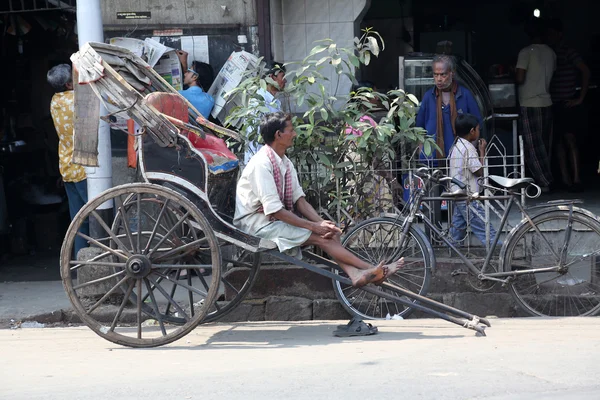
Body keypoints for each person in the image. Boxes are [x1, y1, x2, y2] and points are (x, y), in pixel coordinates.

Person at [233, 112, 403, 287]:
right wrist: (314, 227)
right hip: (257, 225)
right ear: (278, 135)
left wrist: (322, 224)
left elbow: (301, 201)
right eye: (291, 130)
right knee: (320, 237)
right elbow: (275, 210)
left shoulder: (284, 162)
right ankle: (372, 269)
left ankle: (355, 274)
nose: (295, 134)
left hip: (274, 221)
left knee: (330, 233)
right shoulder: (261, 164)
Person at [47, 64, 89, 257]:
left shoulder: (55, 101)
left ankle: (82, 262)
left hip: (67, 166)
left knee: (78, 219)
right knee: (96, 214)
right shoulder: (75, 99)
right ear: (68, 84)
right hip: (83, 166)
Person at [547, 18, 591, 193]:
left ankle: (576, 178)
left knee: (570, 140)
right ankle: (566, 180)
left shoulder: (568, 52)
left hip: (568, 102)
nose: (549, 37)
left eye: (551, 34)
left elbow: (585, 71)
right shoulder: (548, 52)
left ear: (559, 34)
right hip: (554, 103)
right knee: (558, 142)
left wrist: (580, 97)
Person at [416, 54, 482, 162]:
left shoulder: (464, 95)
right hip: (432, 160)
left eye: (443, 75)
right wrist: (422, 155)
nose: (439, 79)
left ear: (452, 73)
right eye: (435, 75)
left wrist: (470, 154)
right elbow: (419, 130)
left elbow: (477, 126)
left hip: (460, 160)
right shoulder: (429, 96)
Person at [515, 18, 556, 192]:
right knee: (544, 145)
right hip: (547, 102)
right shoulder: (551, 53)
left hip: (529, 102)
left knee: (532, 146)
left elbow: (520, 78)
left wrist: (512, 70)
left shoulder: (526, 52)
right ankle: (544, 179)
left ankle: (545, 181)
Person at [448, 113, 499, 245]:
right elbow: (479, 172)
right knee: (485, 229)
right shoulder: (468, 148)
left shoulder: (456, 146)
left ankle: (450, 254)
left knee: (457, 231)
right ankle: (500, 253)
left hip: (458, 193)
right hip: (468, 196)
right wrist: (482, 151)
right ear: (472, 131)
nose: (479, 131)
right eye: (478, 129)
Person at [244, 61, 287, 164]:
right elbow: (254, 133)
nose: (285, 81)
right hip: (259, 159)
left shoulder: (275, 102)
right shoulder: (258, 101)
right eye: (283, 76)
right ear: (272, 77)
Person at [176, 50, 215, 119]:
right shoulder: (210, 100)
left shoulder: (179, 95)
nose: (185, 74)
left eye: (188, 71)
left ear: (195, 77)